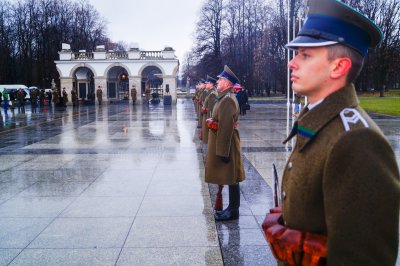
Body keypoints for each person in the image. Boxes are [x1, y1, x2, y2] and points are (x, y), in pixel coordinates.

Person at [263, 0, 400, 265]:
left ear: (338, 67)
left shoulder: (357, 141)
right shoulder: (320, 121)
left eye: (305, 55)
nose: (292, 63)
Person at [205, 65, 246, 221]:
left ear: (228, 83)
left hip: (226, 144)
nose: (218, 81)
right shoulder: (224, 97)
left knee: (232, 177)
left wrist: (222, 151)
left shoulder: (227, 100)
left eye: (221, 79)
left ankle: (233, 210)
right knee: (230, 177)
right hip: (225, 142)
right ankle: (231, 209)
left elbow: (226, 128)